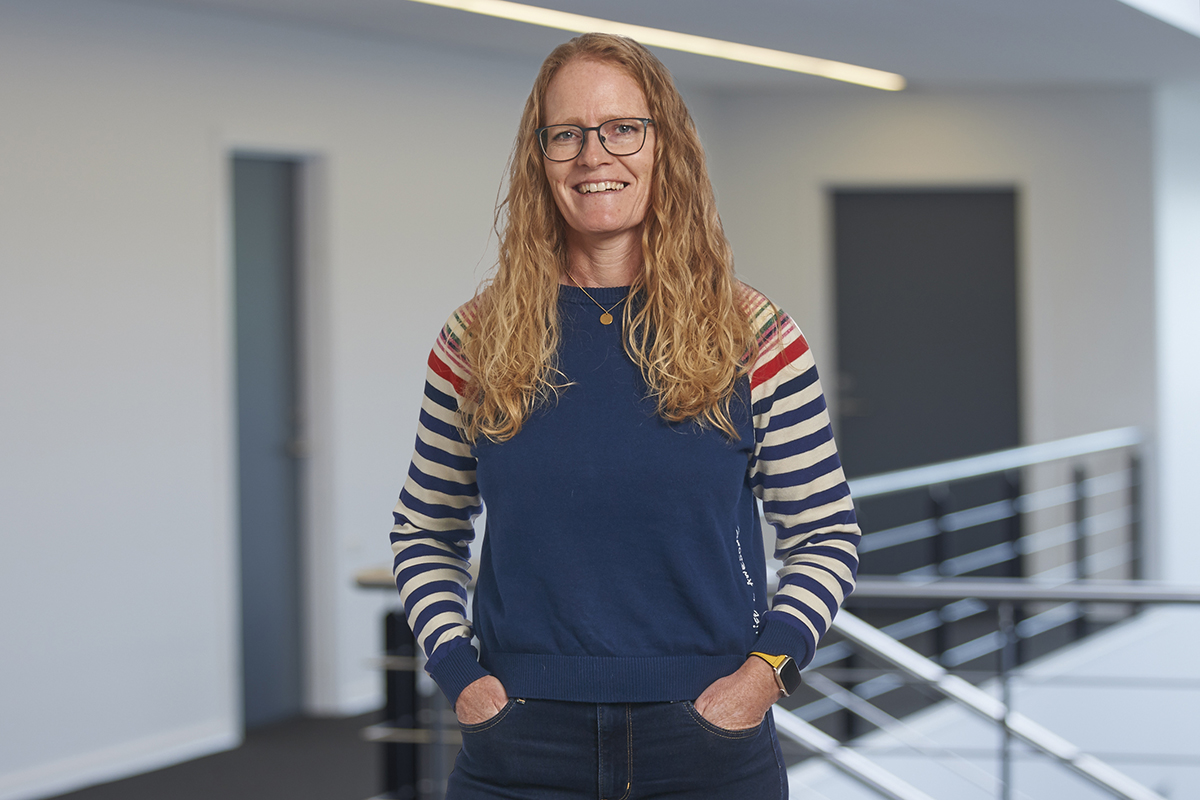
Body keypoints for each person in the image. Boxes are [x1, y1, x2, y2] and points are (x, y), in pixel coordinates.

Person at [390, 32, 860, 799]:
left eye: (621, 129)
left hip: (708, 740)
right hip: (518, 745)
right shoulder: (475, 339)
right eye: (567, 134)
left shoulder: (752, 334)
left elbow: (825, 532)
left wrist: (762, 678)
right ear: (539, 157)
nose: (593, 155)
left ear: (664, 145)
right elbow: (424, 531)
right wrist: (460, 676)